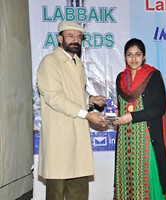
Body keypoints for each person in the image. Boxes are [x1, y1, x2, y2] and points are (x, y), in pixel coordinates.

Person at [37, 21, 109, 200]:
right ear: (60, 38)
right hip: (59, 137)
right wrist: (87, 114)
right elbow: (54, 98)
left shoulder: (77, 62)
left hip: (77, 134)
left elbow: (75, 93)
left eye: (79, 37)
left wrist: (90, 99)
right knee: (56, 192)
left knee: (79, 191)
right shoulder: (50, 62)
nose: (75, 40)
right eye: (70, 36)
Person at [113, 38, 166, 199]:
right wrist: (116, 115)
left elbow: (159, 108)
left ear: (144, 56)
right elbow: (122, 105)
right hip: (125, 140)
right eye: (129, 55)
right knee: (127, 178)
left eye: (137, 54)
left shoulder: (153, 76)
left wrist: (132, 116)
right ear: (125, 57)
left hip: (147, 139)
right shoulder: (120, 78)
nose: (133, 58)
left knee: (148, 178)